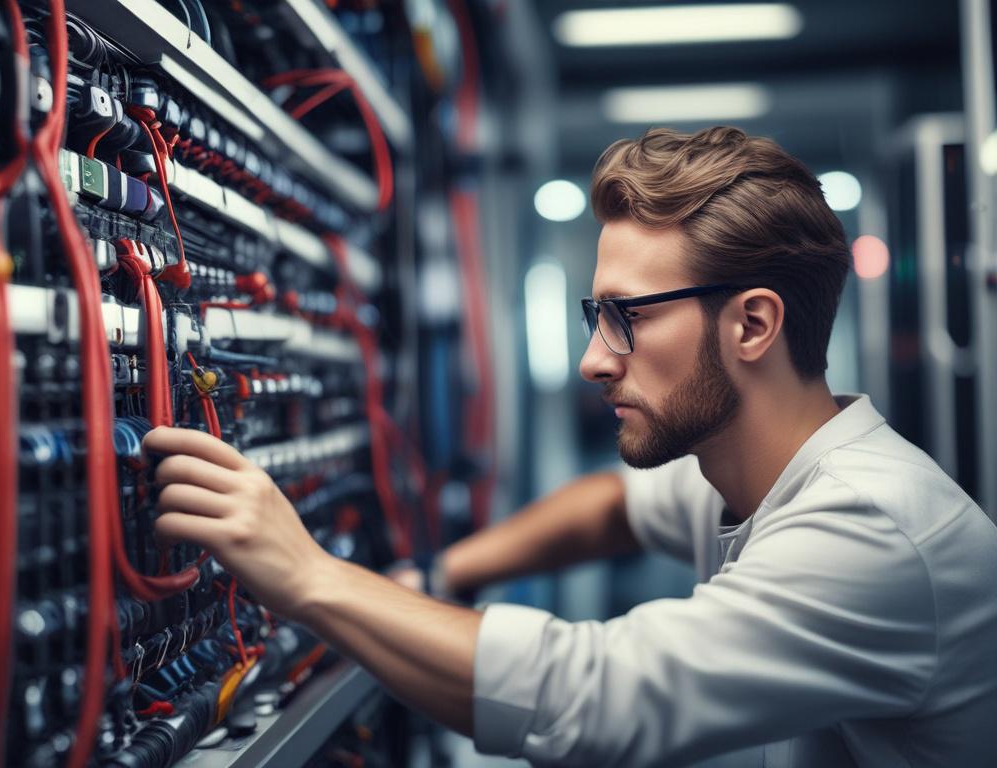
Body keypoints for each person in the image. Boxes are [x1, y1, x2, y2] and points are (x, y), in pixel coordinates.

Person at [143, 126, 997, 767]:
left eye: (629, 316)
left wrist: (311, 578)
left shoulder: (872, 523)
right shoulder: (755, 473)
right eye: (596, 317)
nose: (594, 359)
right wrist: (444, 578)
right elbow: (609, 508)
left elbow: (593, 700)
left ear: (753, 323)